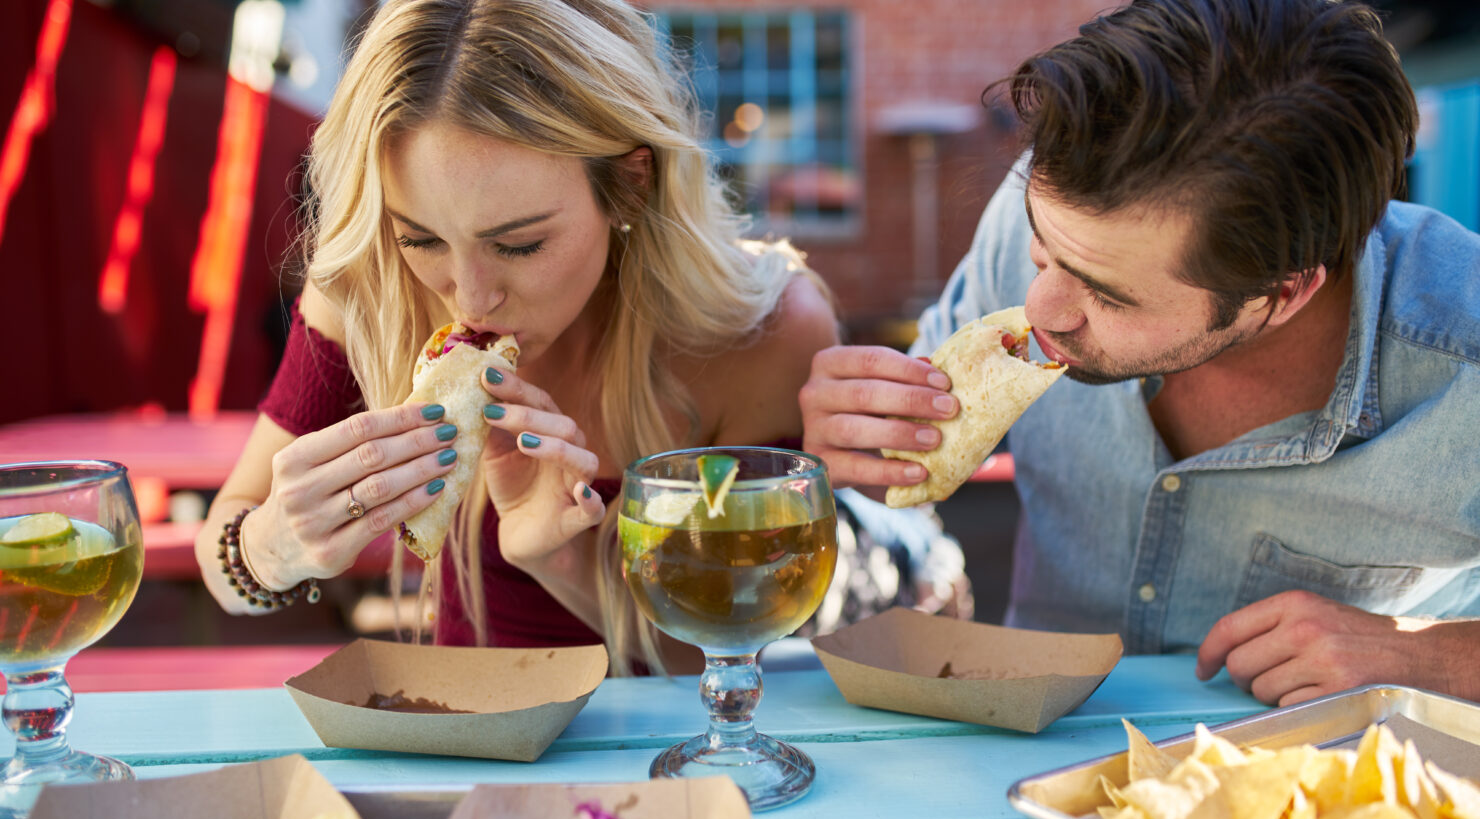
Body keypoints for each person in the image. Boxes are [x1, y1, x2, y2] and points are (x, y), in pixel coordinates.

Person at [800, 0, 1480, 706]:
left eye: (1108, 296)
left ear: (1284, 293)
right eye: (1040, 251)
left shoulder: (1466, 360)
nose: (1041, 310)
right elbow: (908, 475)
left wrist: (1427, 657)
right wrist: (865, 445)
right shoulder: (1056, 206)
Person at [193, 0, 846, 677]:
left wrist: (561, 561)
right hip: (464, 755)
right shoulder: (371, 289)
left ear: (629, 184)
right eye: (422, 237)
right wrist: (272, 549)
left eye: (520, 244)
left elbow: (741, 661)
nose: (471, 298)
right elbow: (226, 543)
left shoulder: (765, 334)